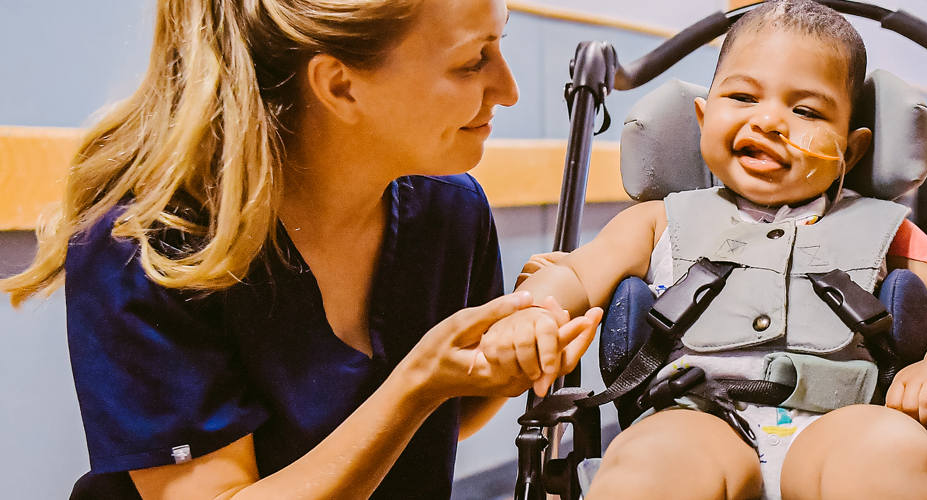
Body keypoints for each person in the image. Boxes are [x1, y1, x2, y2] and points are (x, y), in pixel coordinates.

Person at [0, 0, 600, 498]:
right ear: (341, 86)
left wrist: (498, 369)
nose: (510, 90)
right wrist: (417, 381)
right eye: (473, 61)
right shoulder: (147, 246)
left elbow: (446, 417)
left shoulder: (449, 209)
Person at [507, 1, 927, 499]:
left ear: (849, 151)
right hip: (696, 416)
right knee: (649, 462)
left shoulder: (883, 227)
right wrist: (532, 313)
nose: (769, 121)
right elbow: (574, 276)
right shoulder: (657, 221)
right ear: (704, 118)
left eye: (805, 110)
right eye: (743, 97)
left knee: (895, 454)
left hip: (843, 421)